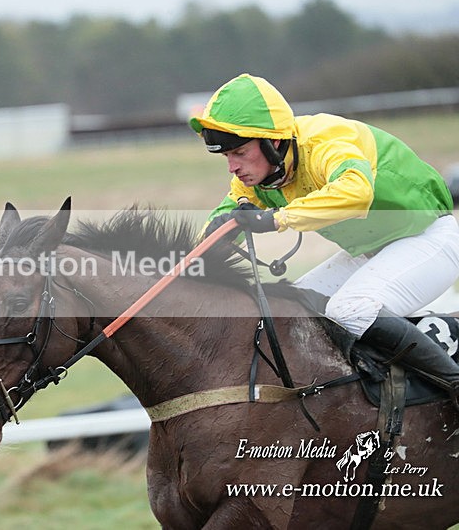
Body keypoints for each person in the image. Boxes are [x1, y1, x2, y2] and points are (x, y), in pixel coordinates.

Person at [191, 73, 459, 408]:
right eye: (226, 156)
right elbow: (223, 219)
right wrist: (204, 248)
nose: (233, 167)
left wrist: (276, 219)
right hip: (372, 253)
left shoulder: (325, 141)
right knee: (289, 312)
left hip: (428, 240)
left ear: (273, 142)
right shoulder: (258, 176)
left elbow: (357, 192)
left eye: (241, 153)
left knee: (350, 310)